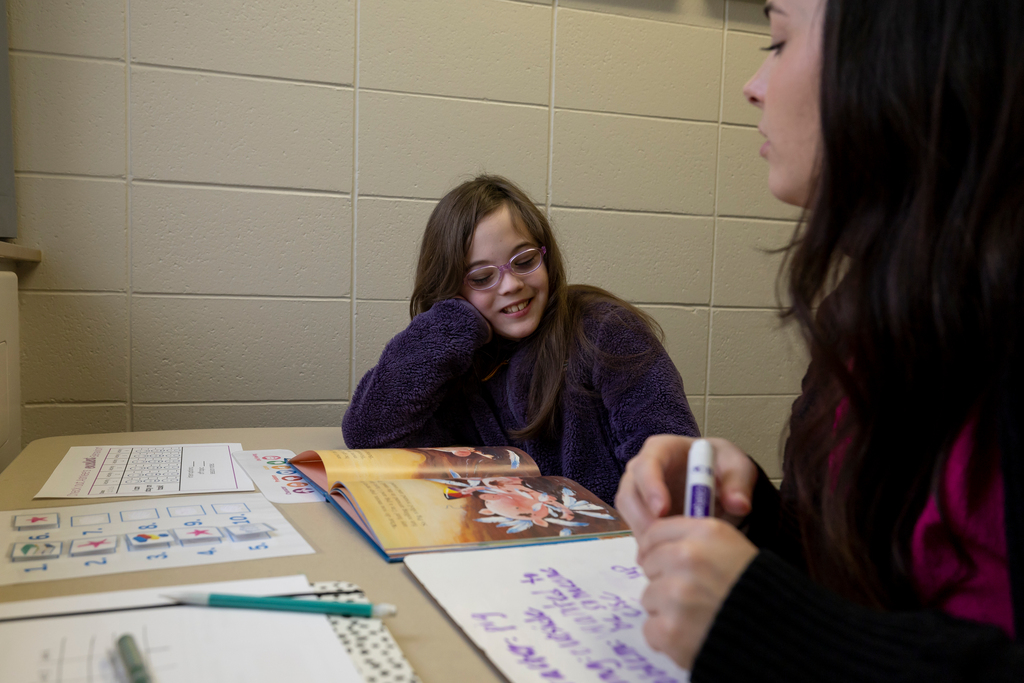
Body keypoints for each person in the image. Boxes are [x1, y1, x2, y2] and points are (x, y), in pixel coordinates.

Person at [615, 0, 1024, 680]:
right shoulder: (865, 315)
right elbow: (851, 590)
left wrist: (764, 626)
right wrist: (742, 509)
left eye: (776, 41)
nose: (752, 85)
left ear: (899, 60)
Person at [343, 175, 699, 504]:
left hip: (612, 546)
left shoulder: (606, 329)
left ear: (545, 254)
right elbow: (368, 432)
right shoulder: (455, 356)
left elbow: (672, 461)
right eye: (482, 277)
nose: (511, 284)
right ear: (450, 290)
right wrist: (452, 322)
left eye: (524, 260)